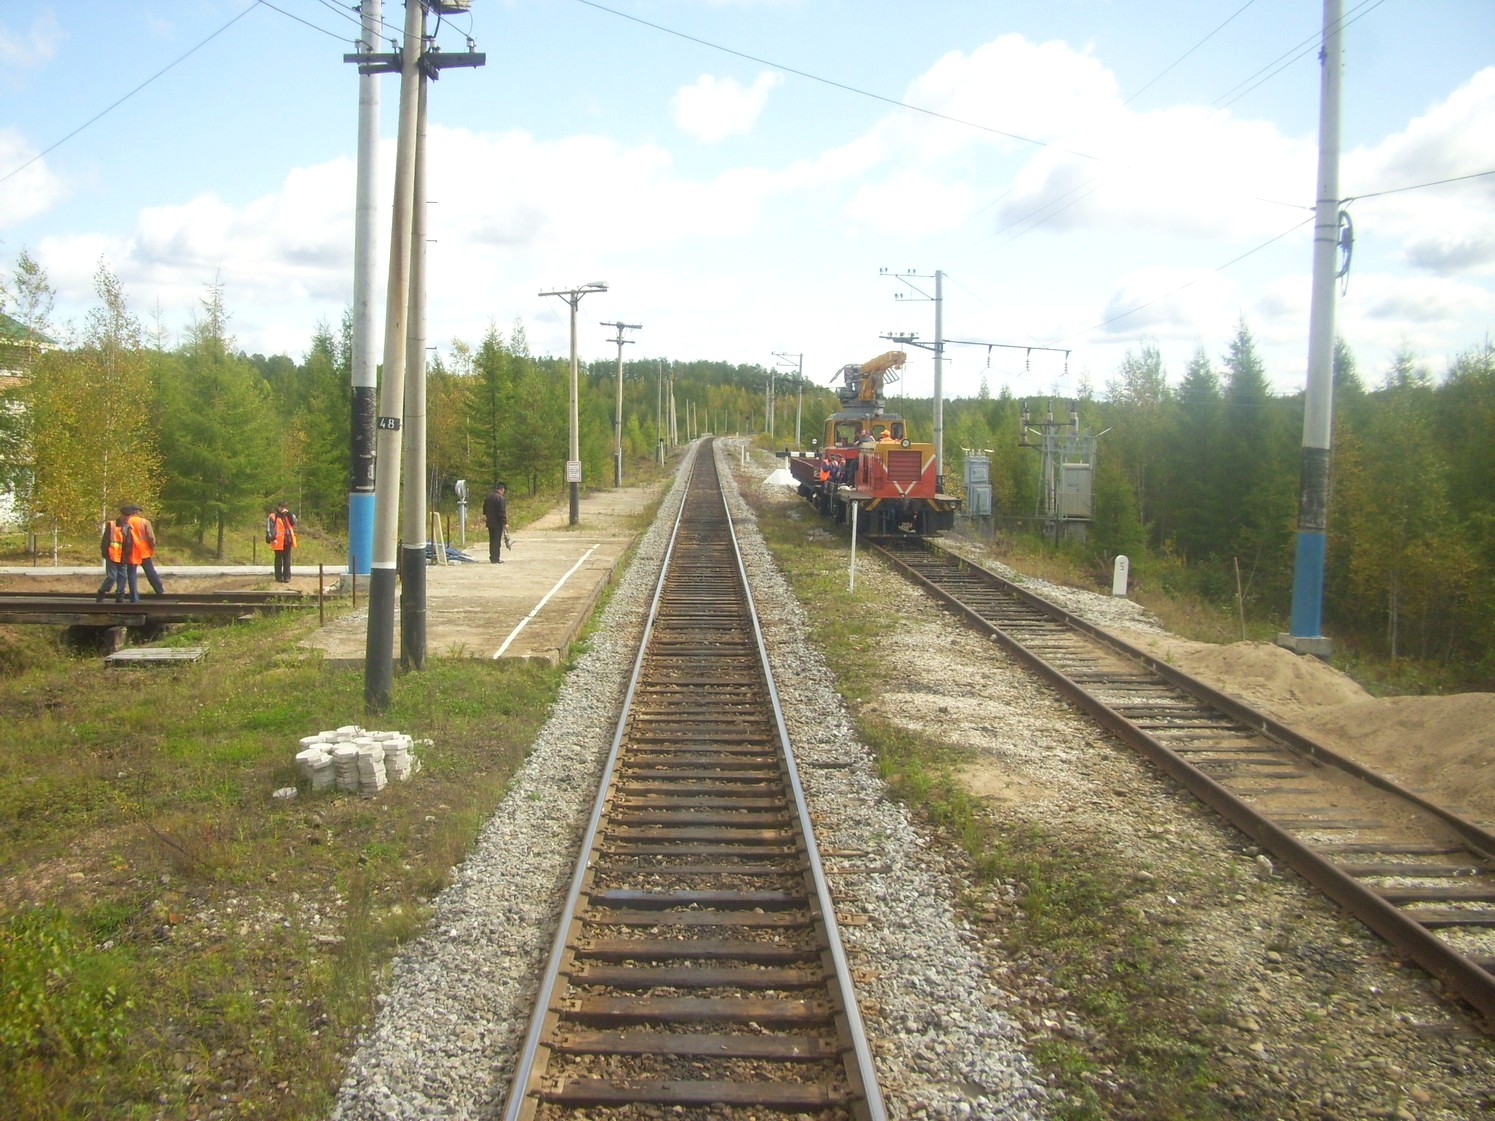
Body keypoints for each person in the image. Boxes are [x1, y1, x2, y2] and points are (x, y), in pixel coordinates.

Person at [123, 505, 165, 595]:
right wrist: (152, 546)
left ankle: (133, 595)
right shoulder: (144, 522)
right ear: (136, 512)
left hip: (131, 551)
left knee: (131, 573)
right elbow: (151, 537)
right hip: (143, 551)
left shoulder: (126, 522)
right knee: (150, 571)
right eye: (139, 511)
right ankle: (159, 590)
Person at [96, 513, 135, 602]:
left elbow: (130, 542)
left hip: (123, 557)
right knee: (112, 577)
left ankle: (119, 596)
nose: (127, 518)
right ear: (121, 515)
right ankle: (102, 591)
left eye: (128, 516)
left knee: (123, 577)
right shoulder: (112, 525)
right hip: (112, 555)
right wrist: (104, 553)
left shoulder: (130, 527)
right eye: (125, 516)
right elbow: (105, 540)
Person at [266, 501, 297, 583]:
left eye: (284, 507)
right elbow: (270, 529)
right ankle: (278, 577)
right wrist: (272, 538)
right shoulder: (273, 516)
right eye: (281, 507)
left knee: (287, 560)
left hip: (287, 541)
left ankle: (287, 577)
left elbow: (294, 522)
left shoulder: (289, 515)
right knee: (278, 560)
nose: (282, 509)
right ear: (278, 507)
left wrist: (289, 513)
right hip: (278, 541)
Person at [483, 482, 508, 563]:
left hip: (490, 522)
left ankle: (492, 557)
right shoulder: (500, 498)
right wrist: (505, 522)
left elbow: (484, 509)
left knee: (492, 540)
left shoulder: (489, 497)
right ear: (502, 489)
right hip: (498, 523)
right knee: (497, 541)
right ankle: (495, 558)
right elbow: (501, 512)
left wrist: (487, 516)